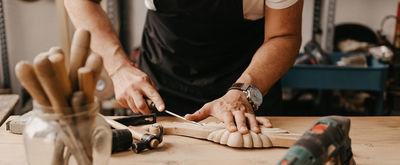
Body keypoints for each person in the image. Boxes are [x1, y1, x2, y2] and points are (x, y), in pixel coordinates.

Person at [64, 0, 303, 134]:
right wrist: (118, 68)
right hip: (161, 81)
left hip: (247, 82)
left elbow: (283, 35)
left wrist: (244, 93)